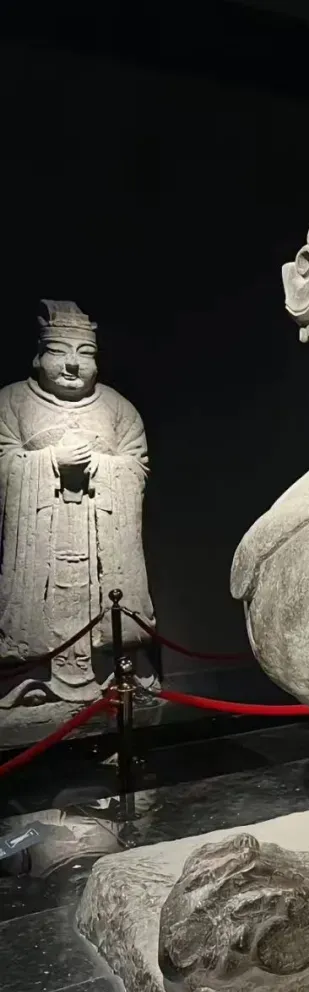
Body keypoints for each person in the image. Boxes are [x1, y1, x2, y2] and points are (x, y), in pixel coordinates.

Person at [0, 300, 155, 715]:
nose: (72, 364)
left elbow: (137, 465)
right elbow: (2, 461)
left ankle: (111, 667)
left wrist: (101, 466)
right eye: (59, 351)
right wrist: (51, 461)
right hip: (40, 541)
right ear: (38, 356)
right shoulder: (10, 403)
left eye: (85, 353)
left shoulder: (117, 408)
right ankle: (31, 674)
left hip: (97, 531)